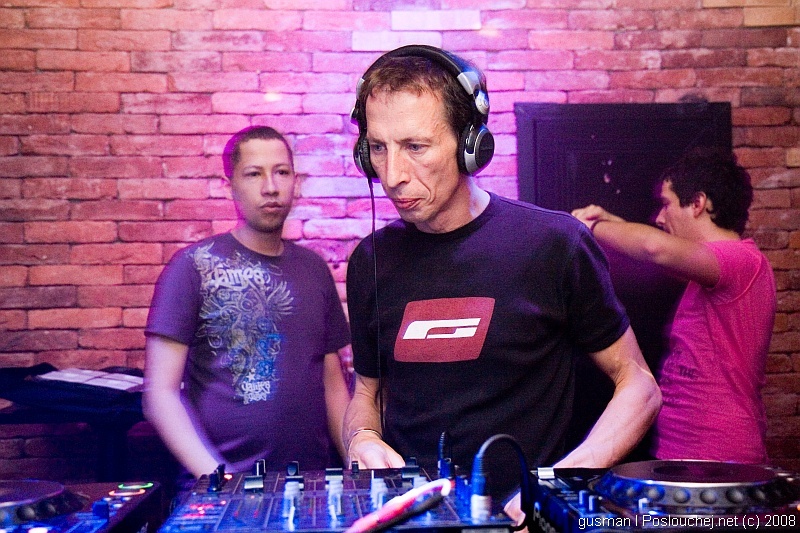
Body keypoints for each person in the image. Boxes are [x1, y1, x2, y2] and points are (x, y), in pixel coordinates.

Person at [343, 44, 661, 508]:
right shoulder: (370, 260)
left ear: (471, 145)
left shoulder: (555, 245)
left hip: (525, 518)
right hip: (414, 515)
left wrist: (555, 485)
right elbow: (367, 393)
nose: (392, 175)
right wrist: (362, 438)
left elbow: (639, 385)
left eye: (415, 147)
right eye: (377, 148)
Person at [144, 126, 351, 480]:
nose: (270, 187)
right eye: (254, 174)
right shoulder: (192, 266)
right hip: (222, 486)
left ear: (296, 182)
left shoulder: (314, 269)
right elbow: (160, 395)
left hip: (312, 484)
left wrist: (357, 470)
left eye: (281, 172)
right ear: (230, 186)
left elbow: (333, 384)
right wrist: (218, 478)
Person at [572, 148, 776, 464]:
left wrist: (586, 227)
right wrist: (615, 223)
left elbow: (653, 248)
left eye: (666, 204)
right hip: (683, 452)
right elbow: (653, 251)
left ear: (697, 203)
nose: (659, 217)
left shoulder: (743, 260)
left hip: (719, 454)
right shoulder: (707, 270)